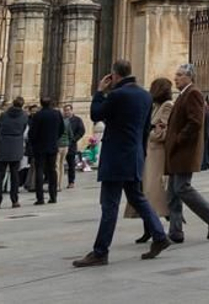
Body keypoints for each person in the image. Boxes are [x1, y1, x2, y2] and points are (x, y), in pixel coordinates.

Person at [72, 59, 171, 267]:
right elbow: (146, 128)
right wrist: (141, 153)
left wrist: (100, 91)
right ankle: (160, 235)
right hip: (135, 155)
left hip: (116, 157)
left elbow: (96, 114)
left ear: (115, 75)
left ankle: (100, 252)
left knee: (109, 205)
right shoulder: (145, 95)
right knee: (137, 198)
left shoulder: (118, 95)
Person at [164, 64, 209, 243]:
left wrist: (179, 139)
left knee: (181, 187)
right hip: (177, 151)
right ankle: (175, 231)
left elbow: (195, 121)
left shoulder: (193, 93)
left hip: (184, 151)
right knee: (172, 193)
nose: (176, 78)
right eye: (176, 74)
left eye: (180, 75)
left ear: (190, 77)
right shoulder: (183, 94)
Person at [130, 78, 172, 240]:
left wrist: (150, 132)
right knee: (145, 192)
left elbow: (162, 132)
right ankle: (149, 229)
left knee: (152, 193)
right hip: (148, 153)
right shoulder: (155, 106)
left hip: (157, 155)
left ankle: (167, 224)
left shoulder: (167, 105)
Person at [0, 97, 27, 209]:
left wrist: (0, 136)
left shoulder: (4, 115)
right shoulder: (24, 116)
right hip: (16, 146)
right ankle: (15, 200)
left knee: (0, 175)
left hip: (3, 146)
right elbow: (23, 128)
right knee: (15, 175)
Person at [28, 97, 65, 205]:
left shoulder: (38, 115)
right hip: (52, 145)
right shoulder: (57, 114)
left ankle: (40, 198)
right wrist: (55, 138)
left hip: (39, 147)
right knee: (52, 170)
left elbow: (32, 132)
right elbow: (62, 129)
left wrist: (34, 142)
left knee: (39, 171)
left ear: (41, 103)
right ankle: (53, 196)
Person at [63, 103, 86, 187]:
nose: (67, 112)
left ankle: (71, 181)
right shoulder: (62, 119)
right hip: (62, 145)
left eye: (68, 110)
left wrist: (74, 139)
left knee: (71, 164)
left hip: (71, 145)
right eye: (65, 110)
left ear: (71, 110)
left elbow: (81, 131)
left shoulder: (77, 120)